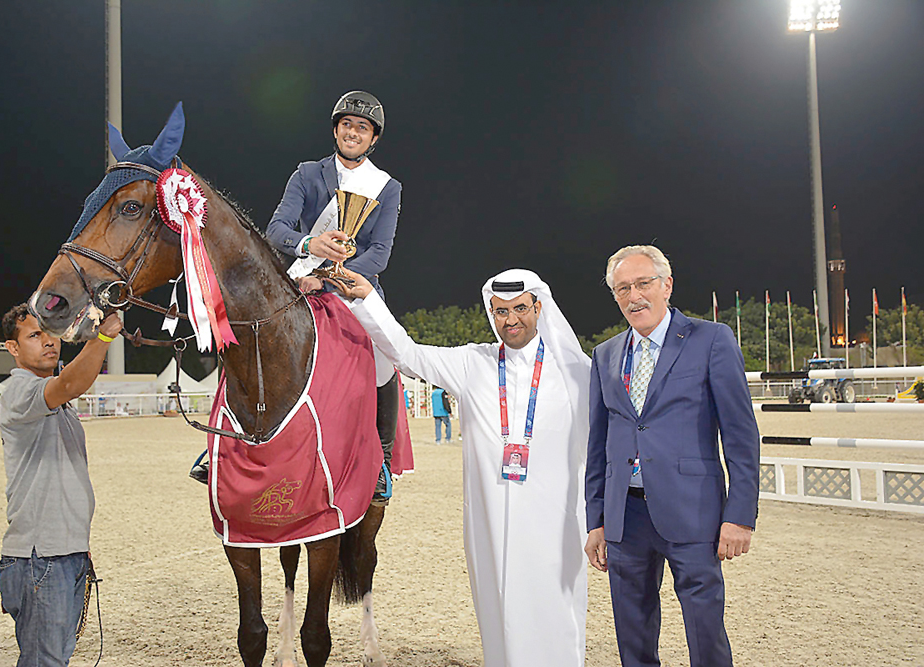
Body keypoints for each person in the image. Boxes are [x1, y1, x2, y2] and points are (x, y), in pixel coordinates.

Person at [329, 266, 591, 667]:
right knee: (497, 607)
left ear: (538, 307)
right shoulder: (473, 363)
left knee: (554, 610)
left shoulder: (577, 372)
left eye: (520, 308)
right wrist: (367, 298)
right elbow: (407, 352)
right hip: (490, 524)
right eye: (501, 312)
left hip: (555, 524)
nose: (511, 320)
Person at [583, 245, 760, 667]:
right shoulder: (605, 355)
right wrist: (597, 521)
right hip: (625, 516)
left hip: (693, 511)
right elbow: (599, 445)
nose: (633, 296)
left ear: (667, 285)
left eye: (643, 283)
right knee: (633, 633)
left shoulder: (711, 339)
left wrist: (740, 515)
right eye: (622, 288)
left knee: (704, 629)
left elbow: (740, 436)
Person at [265, 90, 402, 502]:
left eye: (362, 128)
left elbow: (379, 255)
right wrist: (310, 245)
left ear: (373, 138)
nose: (353, 132)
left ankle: (381, 460)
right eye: (347, 125)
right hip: (299, 281)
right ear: (336, 129)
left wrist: (327, 277)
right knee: (256, 340)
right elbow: (277, 230)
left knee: (384, 359)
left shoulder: (387, 187)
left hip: (354, 289)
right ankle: (237, 442)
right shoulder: (307, 173)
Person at [0, 304, 122, 667]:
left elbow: (72, 378)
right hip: (42, 556)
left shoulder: (52, 396)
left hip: (63, 552)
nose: (48, 341)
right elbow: (70, 383)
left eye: (50, 332)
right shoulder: (20, 391)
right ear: (13, 349)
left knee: (55, 658)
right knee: (45, 661)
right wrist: (103, 338)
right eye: (34, 335)